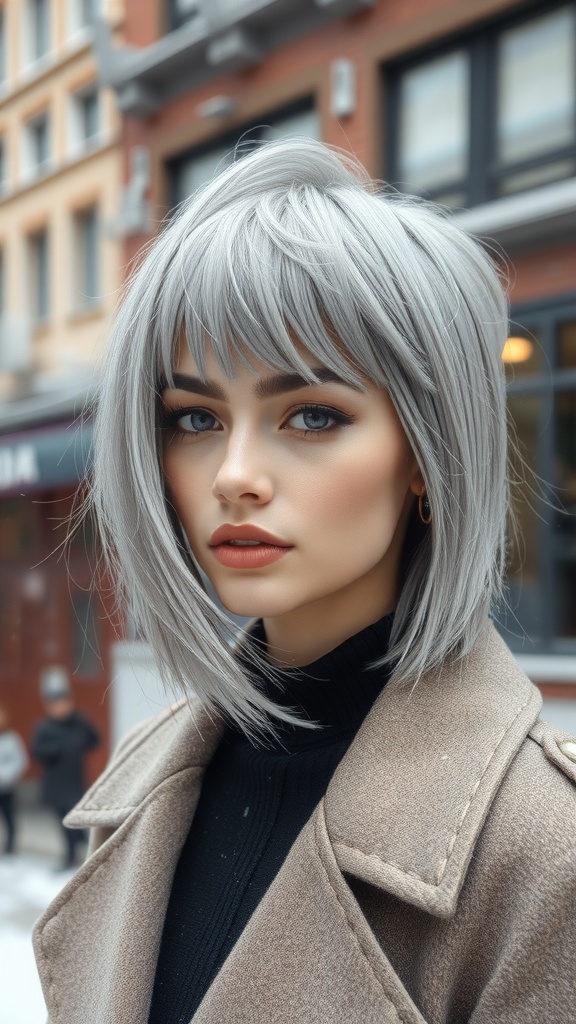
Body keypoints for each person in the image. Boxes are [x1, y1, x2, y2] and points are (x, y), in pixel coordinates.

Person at [33, 140, 576, 1023]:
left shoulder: (541, 854)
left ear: (425, 456)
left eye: (312, 414)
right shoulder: (145, 783)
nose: (233, 474)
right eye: (195, 417)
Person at [31, 689, 100, 869]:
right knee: (64, 821)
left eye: (64, 703)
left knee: (78, 821)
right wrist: (58, 748)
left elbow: (95, 740)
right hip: (55, 784)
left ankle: (87, 853)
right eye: (56, 705)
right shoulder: (44, 727)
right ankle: (70, 855)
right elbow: (37, 752)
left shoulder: (79, 722)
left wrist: (81, 741)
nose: (61, 708)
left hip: (75, 782)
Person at [0, 704, 28, 854]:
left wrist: (5, 775)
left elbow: (20, 760)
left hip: (6, 787)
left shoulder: (11, 739)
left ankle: (10, 846)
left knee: (9, 817)